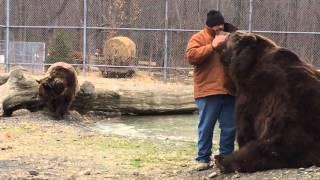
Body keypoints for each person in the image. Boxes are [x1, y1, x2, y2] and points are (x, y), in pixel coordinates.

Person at [186, 10, 237, 171]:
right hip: (208, 90)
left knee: (229, 127)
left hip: (229, 90)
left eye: (221, 24)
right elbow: (191, 56)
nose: (219, 27)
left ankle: (226, 158)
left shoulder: (230, 38)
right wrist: (212, 46)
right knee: (206, 127)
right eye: (216, 24)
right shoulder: (198, 38)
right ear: (208, 25)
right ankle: (203, 158)